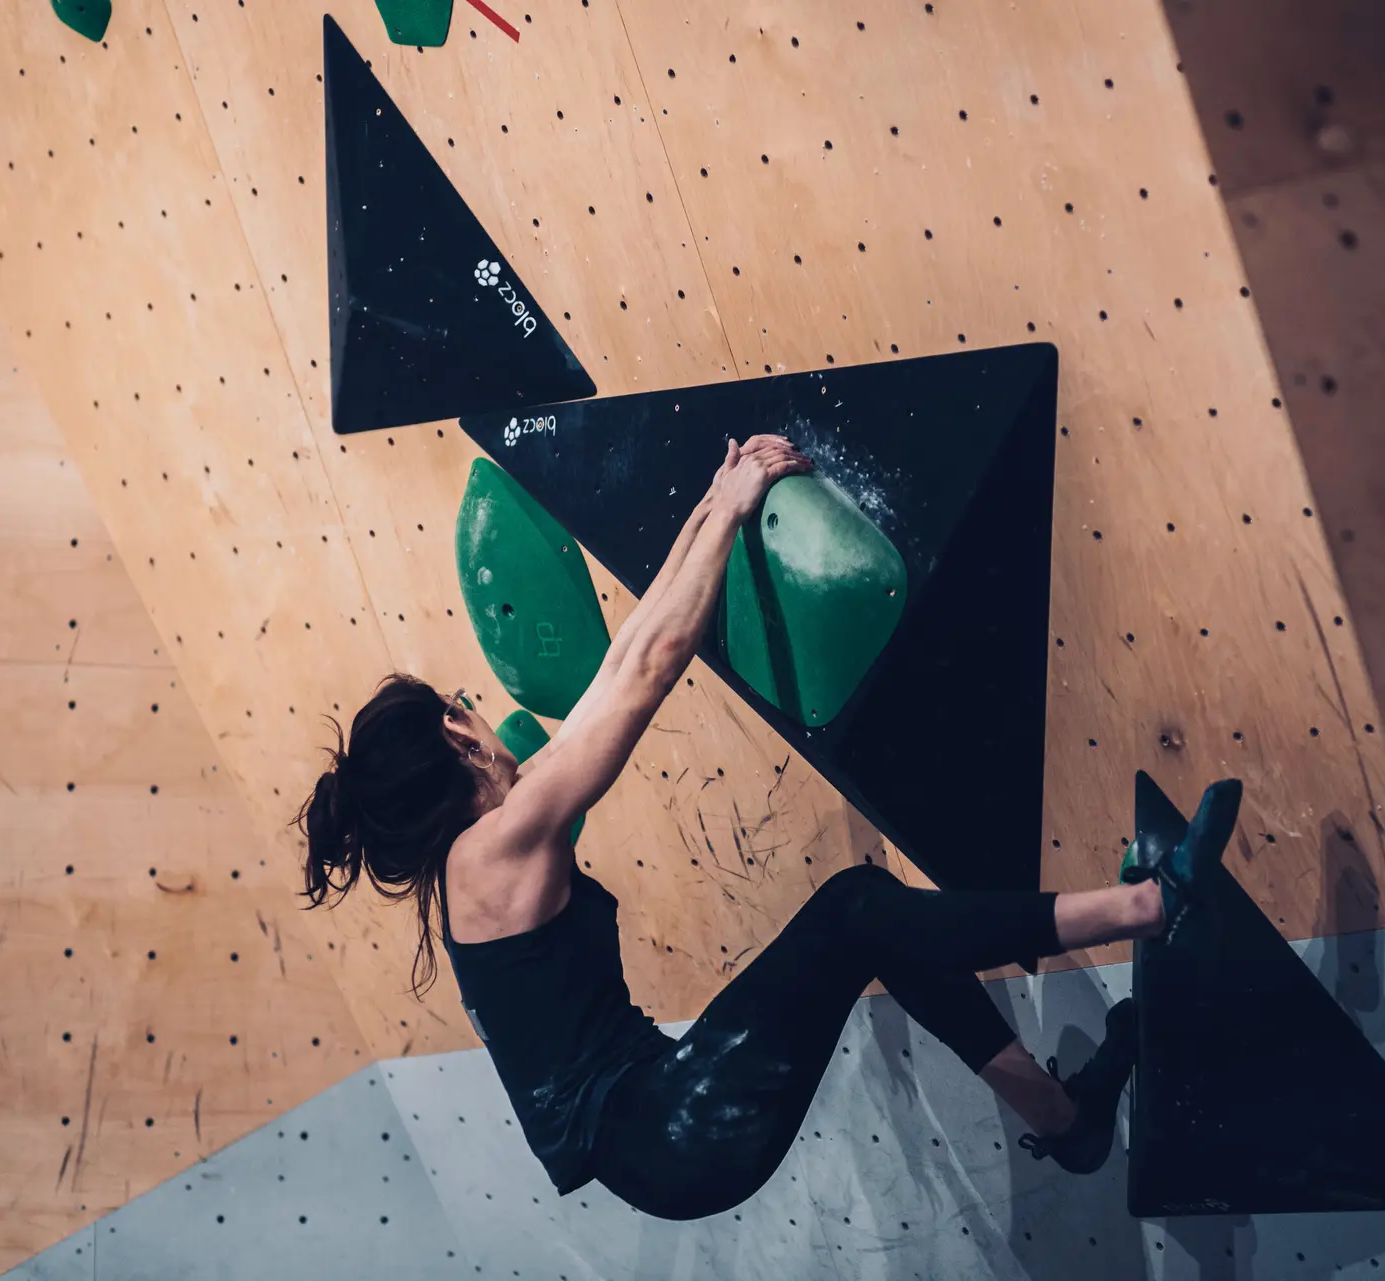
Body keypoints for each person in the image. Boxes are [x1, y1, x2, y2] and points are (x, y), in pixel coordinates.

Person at [296, 434, 1237, 1222]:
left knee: (877, 927)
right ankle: (1152, 902)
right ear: (458, 738)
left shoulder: (482, 852)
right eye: (462, 705)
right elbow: (652, 669)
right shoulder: (494, 848)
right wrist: (734, 506)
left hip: (663, 1129)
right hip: (674, 1129)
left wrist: (716, 505)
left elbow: (625, 654)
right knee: (858, 909)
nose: (474, 706)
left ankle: (1066, 1118)